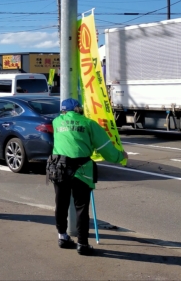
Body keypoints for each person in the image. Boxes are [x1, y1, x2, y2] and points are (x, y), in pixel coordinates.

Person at [50, 98, 128, 256]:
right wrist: (121, 156)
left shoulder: (56, 122)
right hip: (82, 170)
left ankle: (62, 237)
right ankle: (82, 244)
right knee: (81, 207)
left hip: (59, 168)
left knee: (61, 203)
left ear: (63, 111)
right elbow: (106, 149)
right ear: (78, 109)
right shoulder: (89, 124)